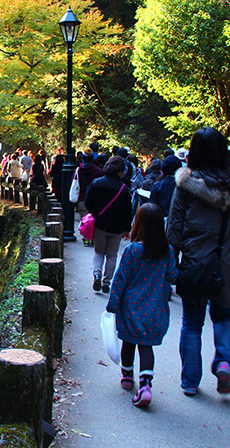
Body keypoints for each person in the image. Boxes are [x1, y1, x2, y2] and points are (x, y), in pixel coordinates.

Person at [166, 126, 230, 396]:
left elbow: (173, 232)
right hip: (227, 265)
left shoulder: (185, 186)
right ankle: (225, 361)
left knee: (192, 322)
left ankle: (190, 381)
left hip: (194, 263)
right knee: (224, 318)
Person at [106, 203, 177, 407]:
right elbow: (173, 276)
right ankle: (146, 385)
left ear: (138, 224)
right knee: (146, 346)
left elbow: (120, 279)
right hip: (155, 309)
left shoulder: (133, 250)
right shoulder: (167, 251)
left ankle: (127, 376)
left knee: (128, 342)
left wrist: (112, 304)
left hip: (130, 307)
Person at [84, 156, 133, 293]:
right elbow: (128, 211)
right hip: (116, 228)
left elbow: (88, 203)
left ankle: (97, 274)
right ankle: (106, 282)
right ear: (120, 171)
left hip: (99, 224)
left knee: (99, 251)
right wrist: (127, 228)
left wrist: (95, 213)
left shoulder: (96, 183)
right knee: (112, 255)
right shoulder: (124, 189)